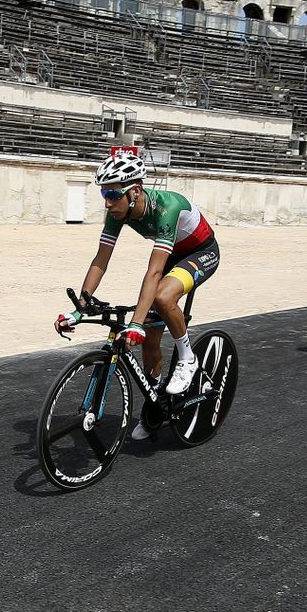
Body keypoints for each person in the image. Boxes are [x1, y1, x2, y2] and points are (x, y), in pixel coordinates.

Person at [57, 152, 220, 436]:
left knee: (162, 297)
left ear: (135, 191)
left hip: (201, 252)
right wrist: (79, 308)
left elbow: (154, 272)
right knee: (150, 339)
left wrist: (135, 323)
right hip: (173, 256)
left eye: (112, 194)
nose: (107, 202)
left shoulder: (167, 207)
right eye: (104, 194)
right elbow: (101, 260)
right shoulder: (117, 212)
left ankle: (188, 358)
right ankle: (155, 404)